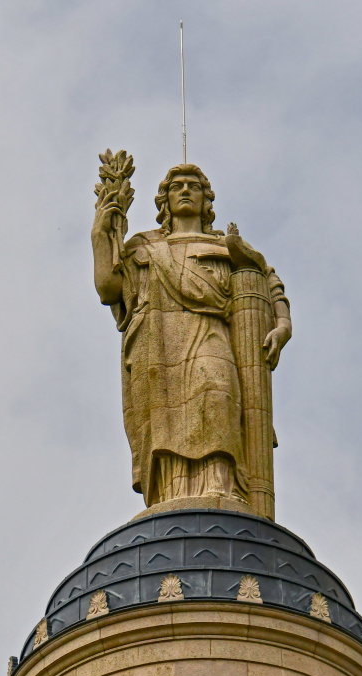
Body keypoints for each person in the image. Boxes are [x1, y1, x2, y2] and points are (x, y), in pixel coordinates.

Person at [91, 163, 291, 509]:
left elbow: (268, 282)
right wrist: (100, 235)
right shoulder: (143, 247)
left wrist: (283, 323)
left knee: (217, 394)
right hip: (157, 344)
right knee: (164, 421)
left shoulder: (227, 245)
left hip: (212, 334)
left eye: (193, 186)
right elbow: (108, 288)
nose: (185, 191)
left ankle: (221, 485)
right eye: (177, 186)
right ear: (165, 200)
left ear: (205, 199)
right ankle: (173, 493)